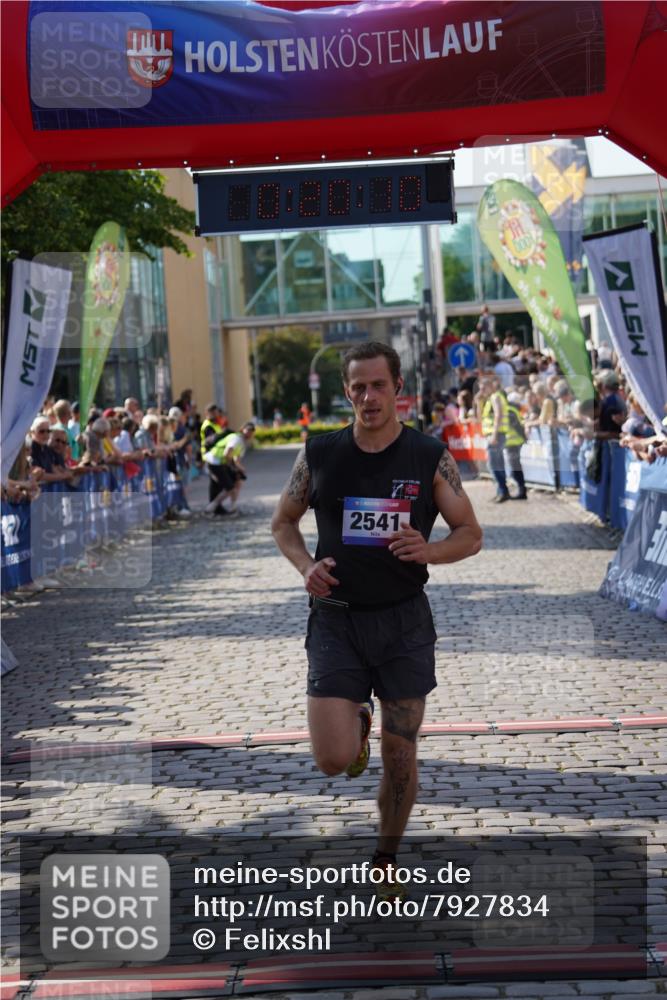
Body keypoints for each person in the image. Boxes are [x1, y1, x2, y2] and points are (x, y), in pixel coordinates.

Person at [271, 342, 482, 890]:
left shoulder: (428, 455)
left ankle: (385, 859)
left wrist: (428, 550)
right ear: (346, 392)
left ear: (398, 388)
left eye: (378, 385)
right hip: (336, 619)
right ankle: (357, 722)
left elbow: (471, 534)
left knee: (401, 758)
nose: (368, 397)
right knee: (332, 759)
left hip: (403, 622)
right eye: (358, 387)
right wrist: (304, 567)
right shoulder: (319, 454)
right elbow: (283, 524)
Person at [203, 421, 256, 516]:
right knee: (230, 487)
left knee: (236, 482)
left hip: (220, 462)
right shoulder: (236, 439)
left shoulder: (242, 443)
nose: (249, 433)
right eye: (248, 430)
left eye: (251, 431)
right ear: (242, 429)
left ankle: (229, 507)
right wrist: (233, 467)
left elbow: (236, 459)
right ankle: (211, 508)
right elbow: (227, 453)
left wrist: (240, 469)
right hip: (214, 461)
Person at [477, 374, 511, 502]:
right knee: (498, 464)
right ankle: (501, 491)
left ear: (490, 386)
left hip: (496, 435)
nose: (482, 391)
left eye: (483, 388)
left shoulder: (495, 397)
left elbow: (498, 415)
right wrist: (478, 401)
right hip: (494, 435)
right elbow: (480, 418)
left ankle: (503, 491)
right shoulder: (490, 399)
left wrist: (494, 435)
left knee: (493, 465)